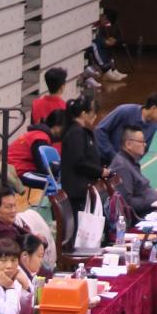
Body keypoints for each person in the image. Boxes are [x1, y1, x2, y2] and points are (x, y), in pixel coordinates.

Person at [60, 95, 104, 248]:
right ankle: (76, 252)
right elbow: (79, 162)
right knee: (78, 228)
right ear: (84, 114)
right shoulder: (75, 133)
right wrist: (100, 171)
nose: (95, 117)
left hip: (82, 188)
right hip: (77, 190)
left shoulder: (80, 132)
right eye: (93, 113)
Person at [95, 94, 157, 163]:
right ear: (154, 108)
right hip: (102, 160)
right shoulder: (124, 111)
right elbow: (100, 130)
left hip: (123, 164)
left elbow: (144, 149)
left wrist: (131, 163)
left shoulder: (153, 125)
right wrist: (113, 155)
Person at [108, 126, 157, 218]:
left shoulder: (130, 162)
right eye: (141, 142)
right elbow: (126, 203)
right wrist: (153, 200)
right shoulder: (122, 166)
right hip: (138, 219)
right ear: (128, 144)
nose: (145, 145)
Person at [8, 110, 64, 179]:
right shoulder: (40, 138)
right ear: (57, 126)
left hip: (18, 168)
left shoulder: (39, 134)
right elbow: (43, 167)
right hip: (20, 171)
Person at [87, 11, 126, 83]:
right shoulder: (92, 22)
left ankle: (113, 69)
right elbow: (90, 37)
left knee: (106, 46)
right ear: (103, 16)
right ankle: (106, 70)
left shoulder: (100, 24)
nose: (106, 23)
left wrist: (111, 40)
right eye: (106, 20)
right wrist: (104, 41)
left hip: (96, 40)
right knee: (95, 45)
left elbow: (98, 35)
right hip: (87, 42)